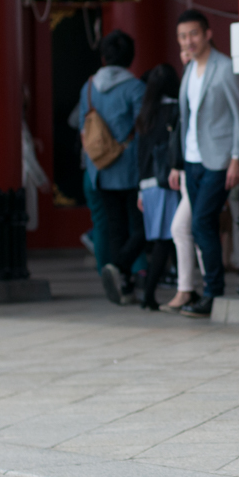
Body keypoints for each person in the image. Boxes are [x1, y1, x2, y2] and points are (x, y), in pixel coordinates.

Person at [168, 9, 239, 318]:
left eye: (194, 34)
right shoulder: (188, 71)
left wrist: (236, 158)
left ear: (208, 33)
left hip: (218, 160)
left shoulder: (224, 68)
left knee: (200, 223)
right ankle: (204, 291)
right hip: (192, 161)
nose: (189, 40)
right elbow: (185, 118)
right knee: (198, 226)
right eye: (183, 36)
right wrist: (179, 163)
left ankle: (213, 293)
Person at [80, 30, 148, 305]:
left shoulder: (88, 86)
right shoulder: (135, 88)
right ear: (130, 58)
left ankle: (124, 284)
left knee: (115, 226)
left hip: (100, 168)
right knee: (141, 226)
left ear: (104, 56)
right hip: (129, 167)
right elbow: (144, 129)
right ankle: (121, 268)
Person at [135, 64, 183, 311]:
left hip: (149, 184)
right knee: (168, 239)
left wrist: (140, 189)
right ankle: (150, 294)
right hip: (168, 182)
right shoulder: (175, 110)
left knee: (166, 239)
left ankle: (183, 288)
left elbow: (140, 154)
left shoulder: (145, 114)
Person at [162, 47, 203, 312]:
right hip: (188, 163)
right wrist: (177, 165)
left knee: (193, 226)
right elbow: (181, 128)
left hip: (206, 163)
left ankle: (193, 288)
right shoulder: (189, 77)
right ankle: (189, 288)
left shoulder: (211, 74)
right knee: (188, 227)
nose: (185, 50)